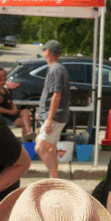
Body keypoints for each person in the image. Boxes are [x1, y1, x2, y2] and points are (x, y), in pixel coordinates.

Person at [35, 40, 70, 180]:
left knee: (40, 148)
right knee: (51, 149)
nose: (44, 53)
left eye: (44, 51)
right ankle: (54, 180)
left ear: (48, 52)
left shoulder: (56, 70)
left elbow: (56, 95)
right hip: (57, 116)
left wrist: (49, 119)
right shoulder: (58, 68)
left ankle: (54, 180)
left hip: (55, 117)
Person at [0, 67, 34, 143]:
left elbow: (11, 102)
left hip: (10, 114)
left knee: (26, 111)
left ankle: (28, 133)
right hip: (1, 116)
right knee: (25, 122)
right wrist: (10, 111)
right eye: (0, 76)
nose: (3, 78)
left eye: (4, 76)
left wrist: (14, 108)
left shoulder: (5, 89)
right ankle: (27, 140)